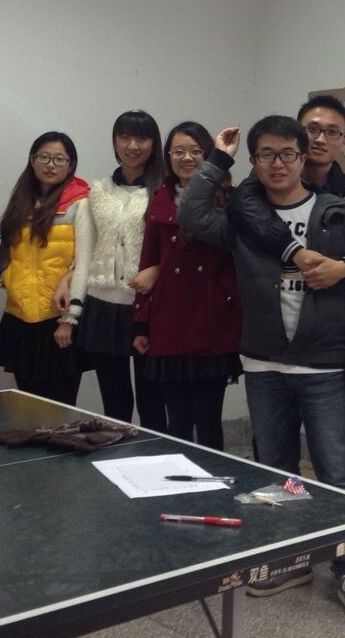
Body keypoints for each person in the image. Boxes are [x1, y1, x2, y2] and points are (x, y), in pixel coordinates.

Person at [178, 117, 345, 626]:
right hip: (263, 362)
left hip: (325, 364)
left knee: (338, 473)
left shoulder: (334, 211)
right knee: (277, 471)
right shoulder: (245, 219)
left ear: (302, 158)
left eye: (288, 153)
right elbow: (191, 212)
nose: (278, 164)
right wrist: (217, 158)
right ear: (253, 161)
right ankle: (290, 559)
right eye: (266, 155)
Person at [129, 121, 242, 449]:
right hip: (169, 323)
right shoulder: (160, 198)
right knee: (176, 421)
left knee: (208, 420)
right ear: (167, 156)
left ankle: (213, 478)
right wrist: (142, 323)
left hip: (213, 321)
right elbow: (148, 260)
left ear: (209, 155)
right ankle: (178, 479)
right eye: (178, 151)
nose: (187, 158)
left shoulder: (229, 198)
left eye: (195, 151)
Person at [63, 111, 167, 429]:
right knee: (115, 399)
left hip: (148, 306)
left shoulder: (164, 190)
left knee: (152, 399)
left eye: (142, 138)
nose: (133, 146)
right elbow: (86, 253)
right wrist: (72, 302)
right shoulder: (97, 191)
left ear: (154, 143)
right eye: (125, 137)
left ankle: (154, 456)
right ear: (115, 141)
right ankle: (116, 452)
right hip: (103, 307)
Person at [225, 95, 345, 289]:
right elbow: (240, 204)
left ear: (344, 141)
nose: (320, 139)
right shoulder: (268, 178)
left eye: (332, 132)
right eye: (312, 130)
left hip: (329, 298)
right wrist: (293, 250)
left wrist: (344, 267)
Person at [0, 132, 90, 405]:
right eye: (44, 157)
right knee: (26, 407)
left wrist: (68, 320)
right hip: (19, 317)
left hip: (58, 320)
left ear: (71, 165)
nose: (50, 164)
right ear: (32, 160)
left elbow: (87, 261)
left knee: (59, 408)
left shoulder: (80, 203)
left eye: (59, 159)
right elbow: (6, 249)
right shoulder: (21, 200)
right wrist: (8, 277)